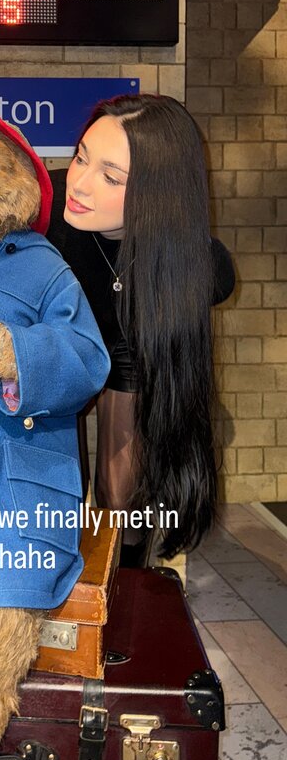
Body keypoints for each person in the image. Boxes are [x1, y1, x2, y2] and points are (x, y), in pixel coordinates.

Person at [46, 94, 235, 567]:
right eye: (81, 158)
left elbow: (215, 281)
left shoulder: (193, 261)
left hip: (131, 345)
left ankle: (127, 578)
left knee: (122, 499)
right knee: (57, 487)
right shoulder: (42, 211)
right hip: (59, 344)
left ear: (158, 194)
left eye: (111, 177)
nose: (79, 184)